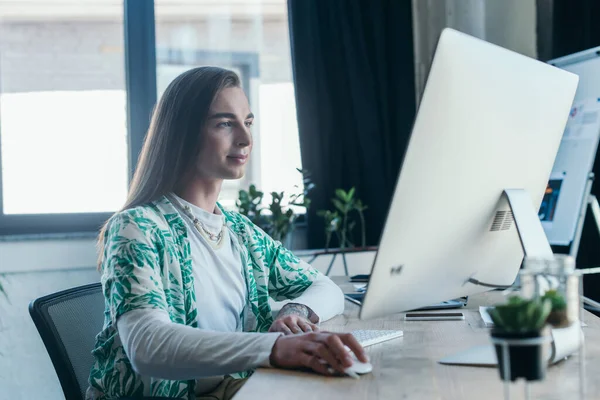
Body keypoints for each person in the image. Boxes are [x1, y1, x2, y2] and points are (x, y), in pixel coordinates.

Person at [86, 66, 368, 400]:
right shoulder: (138, 228)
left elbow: (325, 287)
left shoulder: (239, 231)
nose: (246, 139)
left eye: (248, 122)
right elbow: (147, 346)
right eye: (224, 123)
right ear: (183, 132)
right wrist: (274, 347)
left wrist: (296, 312)